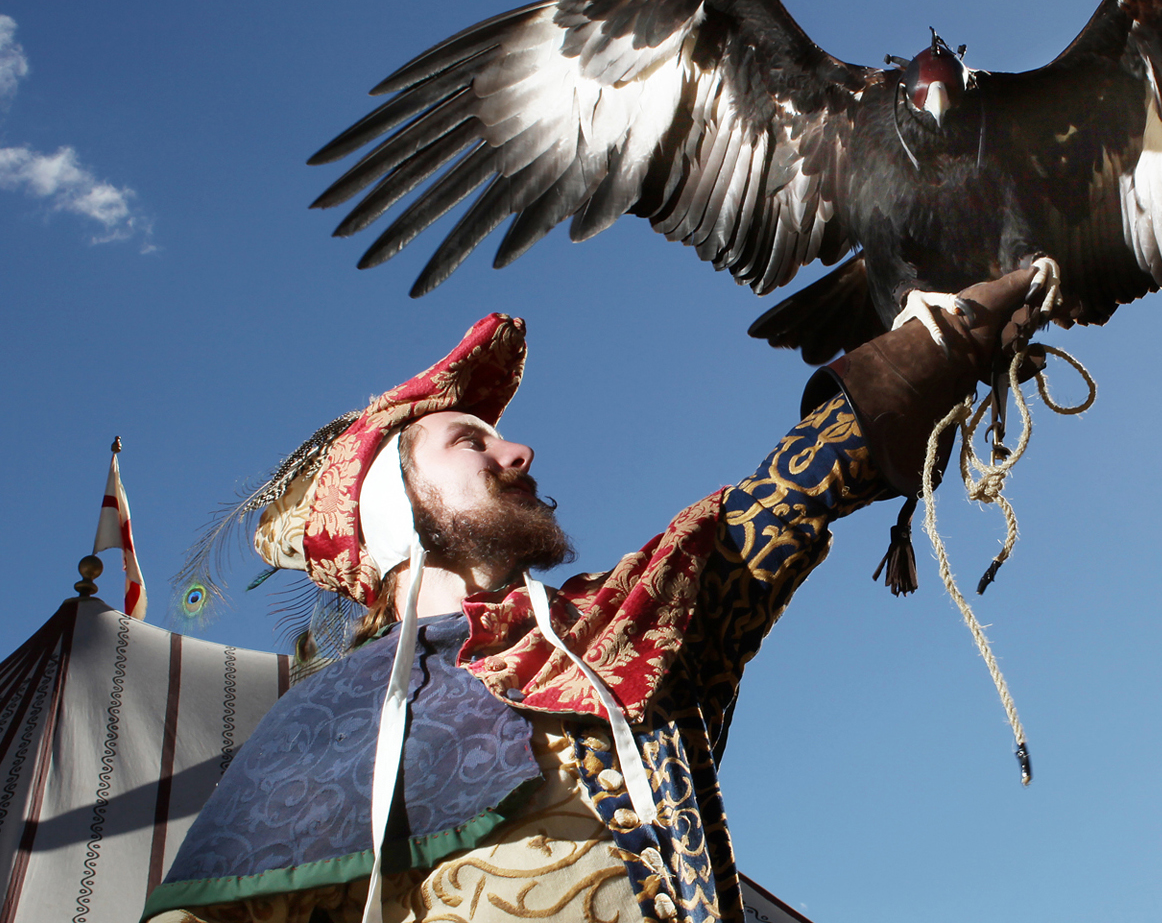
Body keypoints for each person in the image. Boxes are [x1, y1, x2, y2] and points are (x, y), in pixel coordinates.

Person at [143, 268, 1036, 923]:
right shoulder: (334, 718)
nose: (519, 452)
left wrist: (946, 339)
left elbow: (777, 502)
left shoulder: (613, 626)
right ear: (396, 511)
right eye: (470, 443)